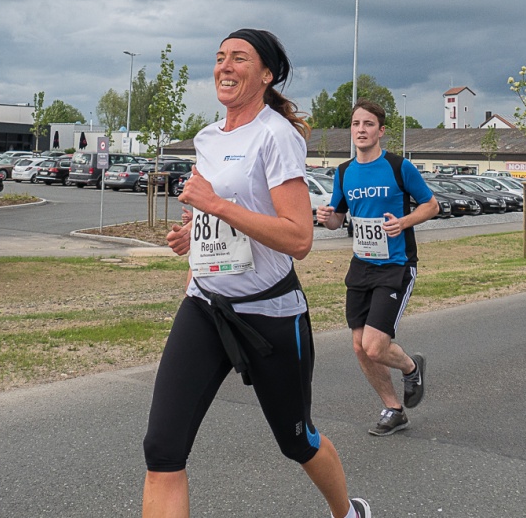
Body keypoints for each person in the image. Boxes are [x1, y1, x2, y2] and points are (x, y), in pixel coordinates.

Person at [143, 29, 371, 518]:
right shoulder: (207, 137)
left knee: (297, 440)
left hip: (270, 313)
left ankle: (348, 513)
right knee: (162, 450)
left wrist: (216, 205)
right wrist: (193, 234)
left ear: (266, 74)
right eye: (220, 57)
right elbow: (217, 216)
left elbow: (298, 238)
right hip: (205, 305)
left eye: (239, 58)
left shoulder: (277, 135)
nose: (224, 66)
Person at [316, 99, 439, 437]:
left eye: (368, 124)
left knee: (374, 345)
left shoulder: (399, 167)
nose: (361, 130)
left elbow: (432, 206)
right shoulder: (344, 172)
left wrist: (404, 222)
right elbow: (339, 219)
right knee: (359, 346)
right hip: (361, 265)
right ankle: (393, 408)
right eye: (356, 124)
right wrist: (328, 219)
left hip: (396, 265)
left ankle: (411, 367)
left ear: (381, 131)